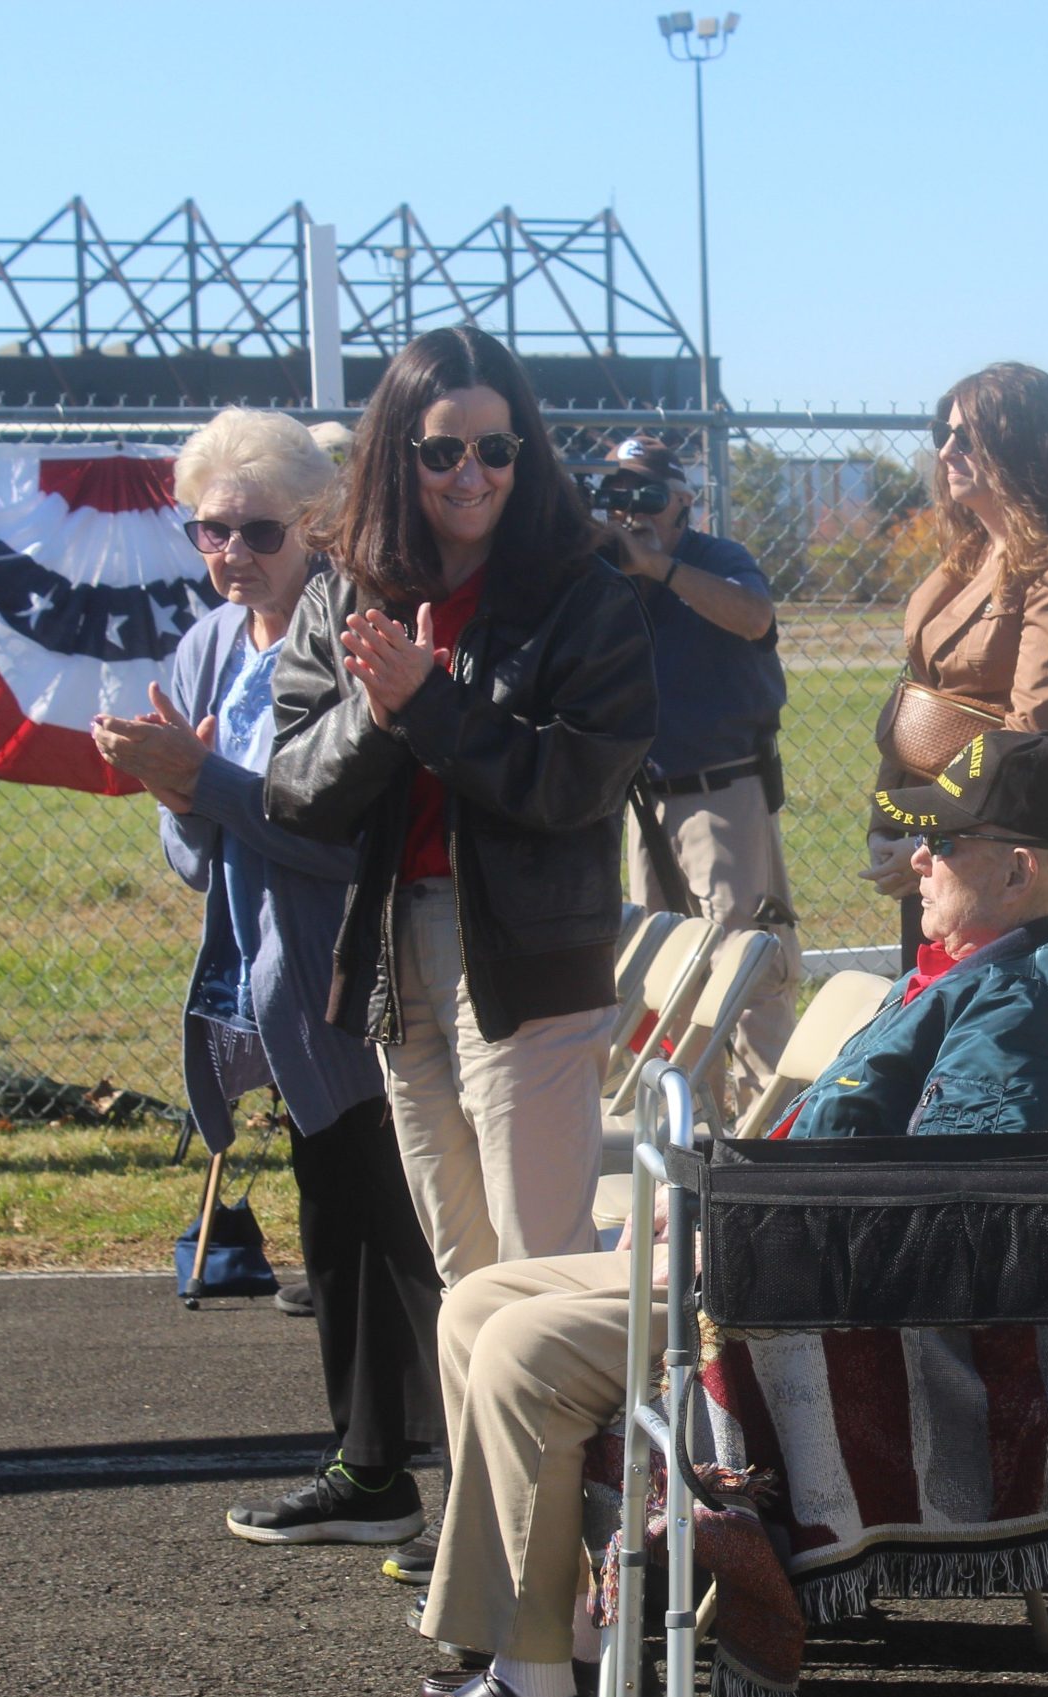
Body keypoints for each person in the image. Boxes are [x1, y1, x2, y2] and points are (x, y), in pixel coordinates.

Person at [339, 732, 1048, 1697]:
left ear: (1018, 866)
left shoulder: (1031, 989)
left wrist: (728, 1229)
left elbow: (948, 1194)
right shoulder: (991, 959)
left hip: (837, 1302)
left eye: (941, 839)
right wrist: (709, 1206)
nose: (915, 857)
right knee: (480, 1301)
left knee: (525, 1349)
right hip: (796, 1247)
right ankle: (553, 1643)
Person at [93, 408, 444, 1547]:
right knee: (334, 1223)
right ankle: (373, 1469)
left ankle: (444, 1487)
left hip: (360, 969)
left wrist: (207, 786)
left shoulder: (354, 634)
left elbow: (340, 833)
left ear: (316, 528)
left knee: (403, 1232)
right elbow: (194, 851)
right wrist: (178, 794)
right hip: (269, 981)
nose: (230, 556)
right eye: (207, 531)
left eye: (257, 533)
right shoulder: (208, 645)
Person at [266, 324, 658, 1286]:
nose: (471, 474)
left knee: (542, 1271)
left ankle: (577, 1445)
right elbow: (292, 789)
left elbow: (576, 783)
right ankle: (481, 1447)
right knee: (464, 1272)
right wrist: (381, 709)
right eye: (444, 450)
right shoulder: (347, 594)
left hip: (529, 963)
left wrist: (432, 707)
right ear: (401, 455)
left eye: (496, 448)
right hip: (399, 953)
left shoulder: (583, 594)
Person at [865, 362, 1048, 962]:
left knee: (979, 1030)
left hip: (1002, 851)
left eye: (968, 436)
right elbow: (919, 696)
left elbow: (1034, 732)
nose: (947, 451)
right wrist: (887, 825)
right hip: (937, 843)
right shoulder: (970, 552)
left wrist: (921, 836)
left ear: (1024, 446)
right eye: (944, 433)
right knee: (926, 1021)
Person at [598, 435, 801, 1103]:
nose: (635, 512)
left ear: (685, 503)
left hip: (722, 790)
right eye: (618, 496)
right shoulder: (606, 574)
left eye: (650, 497)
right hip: (644, 796)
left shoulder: (716, 559)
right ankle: (690, 1123)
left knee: (746, 962)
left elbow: (755, 617)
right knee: (662, 969)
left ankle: (768, 1123)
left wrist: (661, 568)